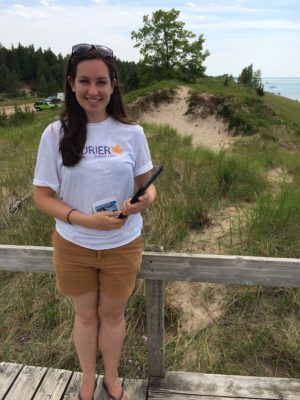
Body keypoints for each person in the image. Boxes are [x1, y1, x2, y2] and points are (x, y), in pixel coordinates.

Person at [33, 44, 156, 400]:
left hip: (122, 243)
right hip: (73, 244)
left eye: (101, 81)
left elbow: (148, 188)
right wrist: (84, 219)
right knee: (86, 316)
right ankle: (88, 377)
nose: (93, 90)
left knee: (113, 315)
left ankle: (112, 377)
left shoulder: (132, 133)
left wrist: (143, 200)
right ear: (71, 84)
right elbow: (43, 197)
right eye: (84, 81)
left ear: (114, 84)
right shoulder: (54, 134)